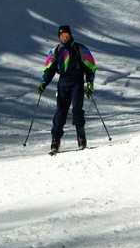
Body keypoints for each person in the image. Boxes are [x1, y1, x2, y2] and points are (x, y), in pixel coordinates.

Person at [37, 25, 97, 154]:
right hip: (63, 84)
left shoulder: (79, 48)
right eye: (62, 36)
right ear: (59, 37)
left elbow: (90, 67)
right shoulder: (56, 50)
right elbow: (49, 69)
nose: (64, 38)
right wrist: (44, 82)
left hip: (77, 83)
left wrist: (90, 83)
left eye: (66, 35)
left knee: (76, 109)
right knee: (60, 112)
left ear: (70, 35)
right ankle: (55, 140)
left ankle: (81, 137)